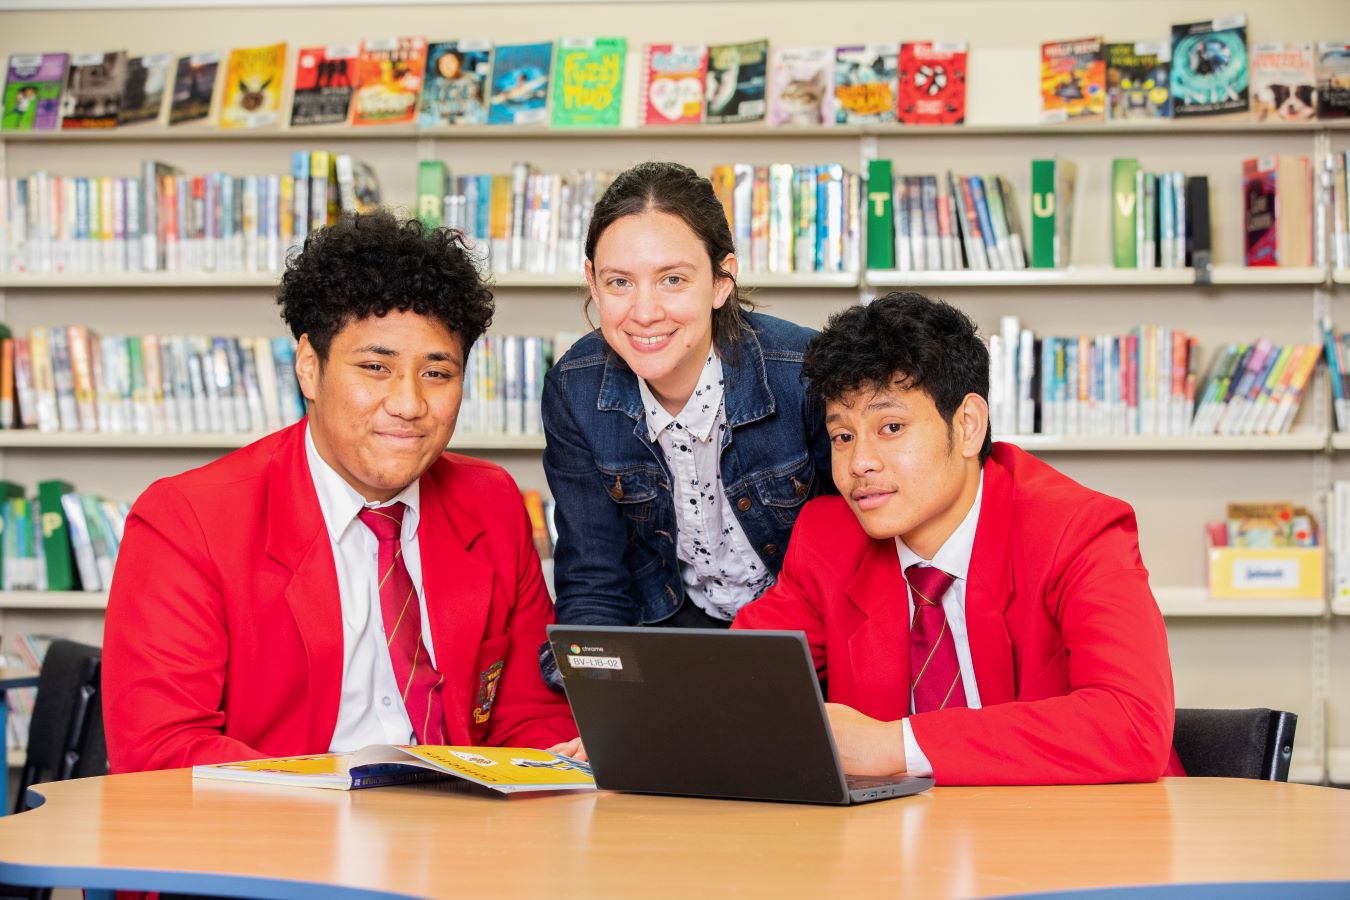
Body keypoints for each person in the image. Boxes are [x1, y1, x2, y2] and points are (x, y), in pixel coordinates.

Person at [103, 211, 577, 774]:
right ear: (310, 367)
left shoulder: (491, 501)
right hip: (276, 843)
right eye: (375, 367)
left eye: (436, 374)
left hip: (462, 840)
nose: (408, 404)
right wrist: (351, 807)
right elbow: (160, 752)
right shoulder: (189, 520)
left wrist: (554, 762)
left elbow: (531, 717)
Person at [732, 292, 1184, 785]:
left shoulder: (1077, 530)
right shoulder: (829, 538)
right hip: (898, 847)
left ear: (968, 426)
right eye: (843, 436)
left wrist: (894, 746)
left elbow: (1132, 725)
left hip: (1083, 839)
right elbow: (736, 688)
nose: (859, 462)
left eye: (891, 427)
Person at [541, 161, 832, 655]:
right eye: (619, 283)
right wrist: (603, 700)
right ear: (592, 281)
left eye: (672, 280)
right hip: (668, 630)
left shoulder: (806, 372)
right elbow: (593, 581)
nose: (645, 312)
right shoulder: (574, 388)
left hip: (804, 634)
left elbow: (851, 561)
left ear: (722, 281)